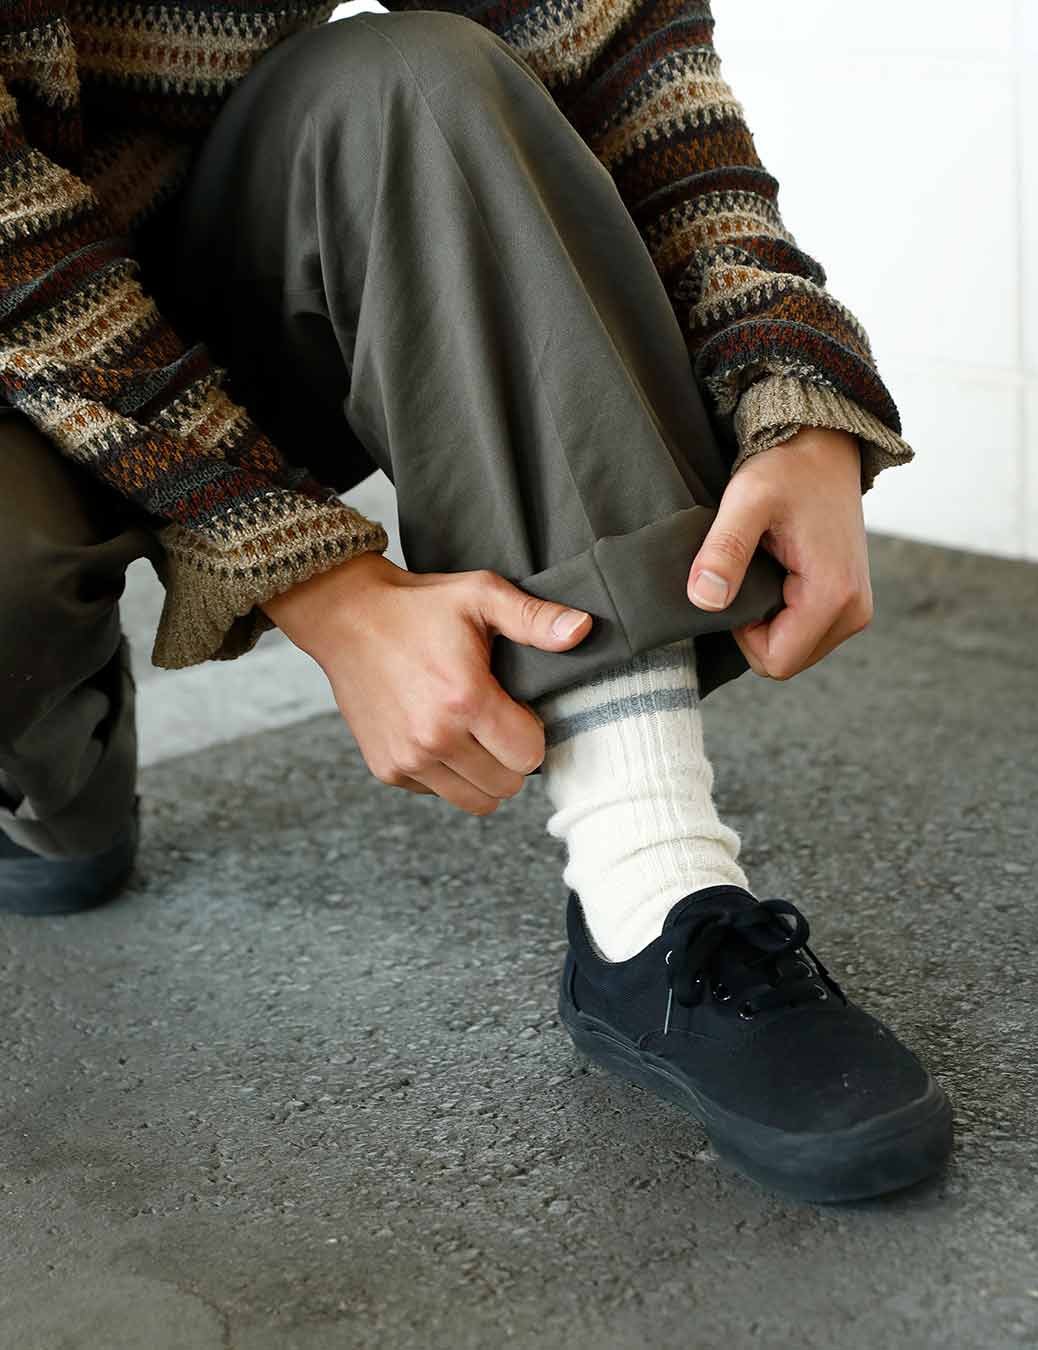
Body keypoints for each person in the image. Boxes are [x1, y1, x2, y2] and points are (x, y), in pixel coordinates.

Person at [0, 2, 952, 1201]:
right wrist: (313, 578)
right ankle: (46, 733)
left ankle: (652, 888)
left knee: (411, 80)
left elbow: (613, 58)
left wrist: (791, 380)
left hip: (218, 250)